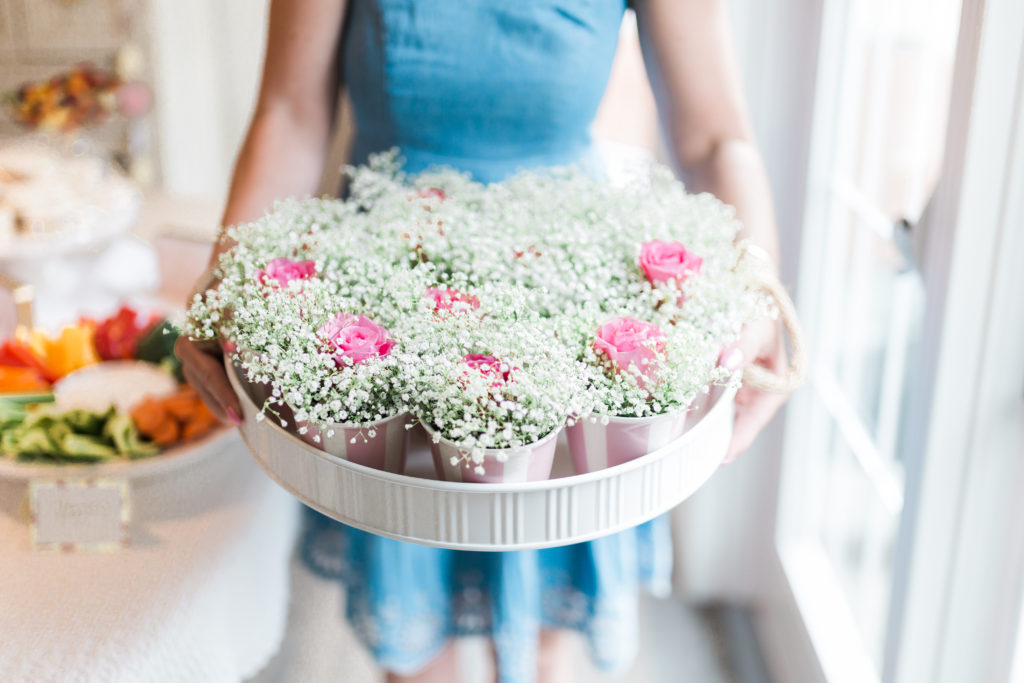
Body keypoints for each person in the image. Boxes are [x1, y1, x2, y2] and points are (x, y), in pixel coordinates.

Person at [176, 1, 789, 681]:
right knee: (415, 640)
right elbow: (290, 112)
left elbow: (715, 139)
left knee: (544, 632)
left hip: (570, 309)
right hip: (391, 313)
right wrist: (228, 274)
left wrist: (761, 287)